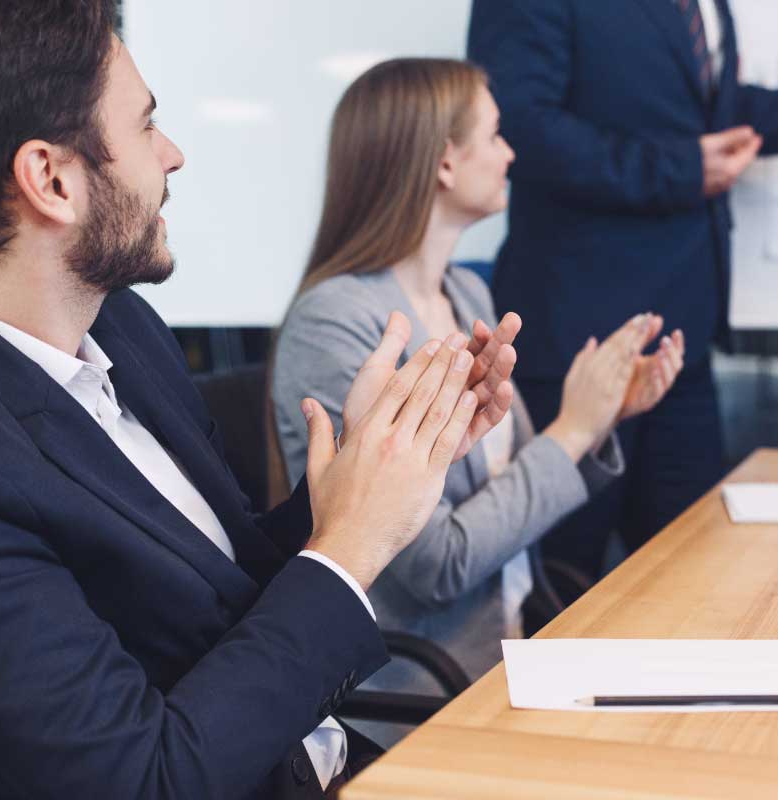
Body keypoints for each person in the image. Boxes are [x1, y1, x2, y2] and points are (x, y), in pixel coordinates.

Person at [0, 2, 520, 797]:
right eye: (147, 128)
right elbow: (144, 780)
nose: (174, 155)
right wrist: (350, 545)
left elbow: (215, 589)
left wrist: (382, 459)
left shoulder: (121, 324)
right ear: (51, 179)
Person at [468, 0, 778, 576]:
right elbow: (523, 126)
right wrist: (679, 169)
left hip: (680, 341)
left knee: (695, 576)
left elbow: (720, 110)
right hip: (577, 341)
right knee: (561, 585)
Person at [271, 59, 685, 703]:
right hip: (427, 689)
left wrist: (598, 416)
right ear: (443, 163)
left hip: (516, 649)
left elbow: (513, 492)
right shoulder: (335, 322)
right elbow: (437, 564)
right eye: (495, 135)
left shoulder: (466, 290)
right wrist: (570, 433)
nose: (511, 152)